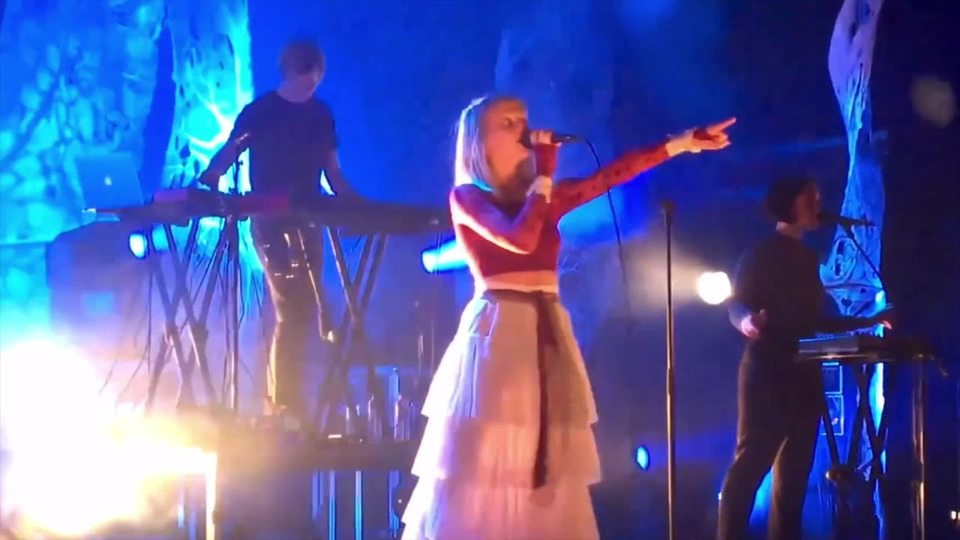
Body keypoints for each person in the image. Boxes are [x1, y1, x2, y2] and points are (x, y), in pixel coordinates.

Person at [401, 94, 735, 540]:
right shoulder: (468, 198)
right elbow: (520, 238)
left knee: (549, 448)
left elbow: (610, 176)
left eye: (523, 119)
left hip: (547, 326)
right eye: (508, 123)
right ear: (479, 143)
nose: (523, 129)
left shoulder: (544, 196)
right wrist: (544, 174)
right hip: (500, 330)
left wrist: (679, 144)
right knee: (493, 449)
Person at [716, 176, 894, 540]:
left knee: (794, 483)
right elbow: (736, 303)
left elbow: (815, 320)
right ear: (791, 204)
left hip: (804, 374)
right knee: (750, 468)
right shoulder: (760, 254)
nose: (818, 203)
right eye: (810, 197)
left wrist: (870, 321)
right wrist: (747, 321)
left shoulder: (808, 258)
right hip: (767, 372)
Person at [198, 39, 358, 425]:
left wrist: (357, 204)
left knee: (309, 310)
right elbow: (230, 152)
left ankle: (297, 403)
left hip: (309, 218)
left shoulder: (320, 114)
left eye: (313, 82)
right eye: (304, 81)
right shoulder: (261, 112)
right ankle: (284, 406)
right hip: (269, 218)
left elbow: (333, 171)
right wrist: (210, 179)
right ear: (291, 73)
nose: (309, 87)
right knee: (292, 308)